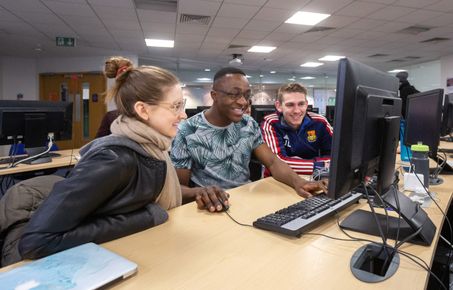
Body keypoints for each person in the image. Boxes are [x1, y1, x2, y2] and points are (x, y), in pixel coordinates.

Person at [0, 56, 187, 266]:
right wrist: (147, 217)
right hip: (31, 258)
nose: (184, 115)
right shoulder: (113, 160)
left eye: (183, 104)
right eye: (176, 106)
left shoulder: (154, 149)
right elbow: (36, 242)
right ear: (143, 110)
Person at [170, 67, 327, 212]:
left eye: (246, 95)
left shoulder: (248, 123)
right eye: (234, 94)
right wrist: (200, 192)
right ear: (214, 96)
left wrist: (299, 182)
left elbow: (272, 162)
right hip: (212, 205)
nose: (243, 102)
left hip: (245, 200)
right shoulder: (187, 130)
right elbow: (179, 188)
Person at [260, 83, 333, 176]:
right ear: (279, 106)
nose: (297, 111)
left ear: (306, 104)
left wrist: (298, 163)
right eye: (290, 105)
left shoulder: (320, 121)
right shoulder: (270, 122)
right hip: (278, 181)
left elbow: (336, 157)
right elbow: (277, 164)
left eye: (301, 104)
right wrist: (318, 166)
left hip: (313, 179)